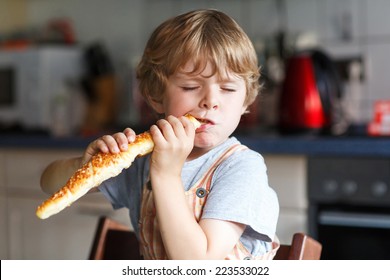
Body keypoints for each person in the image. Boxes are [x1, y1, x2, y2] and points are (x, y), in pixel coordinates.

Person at [40, 9, 279, 260]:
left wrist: (165, 174)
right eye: (191, 86)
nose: (211, 101)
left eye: (228, 88)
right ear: (156, 96)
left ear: (246, 101)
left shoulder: (241, 168)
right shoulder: (143, 159)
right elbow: (48, 184)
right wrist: (84, 166)